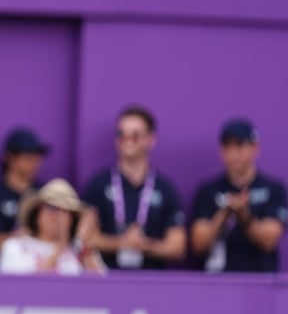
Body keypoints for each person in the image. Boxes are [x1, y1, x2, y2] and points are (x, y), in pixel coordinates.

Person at [80, 106, 186, 270]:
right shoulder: (98, 185)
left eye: (135, 135)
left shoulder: (165, 189)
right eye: (121, 135)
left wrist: (144, 246)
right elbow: (85, 238)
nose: (127, 140)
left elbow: (177, 246)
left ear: (151, 139)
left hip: (152, 283)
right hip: (106, 279)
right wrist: (122, 243)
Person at [189, 118, 287, 273]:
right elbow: (199, 244)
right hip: (217, 282)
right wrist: (224, 213)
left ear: (255, 148)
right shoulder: (208, 191)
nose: (233, 153)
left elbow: (269, 239)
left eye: (239, 145)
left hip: (260, 282)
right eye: (227, 146)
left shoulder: (273, 189)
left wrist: (244, 215)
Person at [0, 178, 105, 275]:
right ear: (37, 212)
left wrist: (86, 248)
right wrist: (59, 250)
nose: (58, 217)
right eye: (51, 208)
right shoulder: (14, 247)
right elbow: (21, 288)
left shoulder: (80, 251)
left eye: (65, 212)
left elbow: (102, 288)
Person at [0, 127, 50, 260]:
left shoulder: (45, 194)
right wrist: (21, 237)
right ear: (9, 158)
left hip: (46, 263)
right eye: (27, 157)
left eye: (37, 157)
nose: (34, 163)